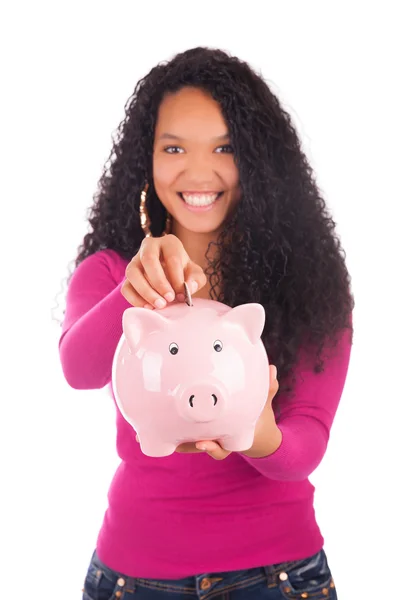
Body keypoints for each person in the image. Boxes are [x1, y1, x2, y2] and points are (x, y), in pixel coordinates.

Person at [59, 47, 354, 600]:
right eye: (174, 148)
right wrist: (134, 290)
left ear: (258, 161)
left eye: (225, 147)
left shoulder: (308, 279)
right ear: (145, 159)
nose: (198, 172)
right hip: (135, 577)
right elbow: (78, 367)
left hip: (280, 579)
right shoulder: (110, 273)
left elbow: (306, 441)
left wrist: (258, 434)